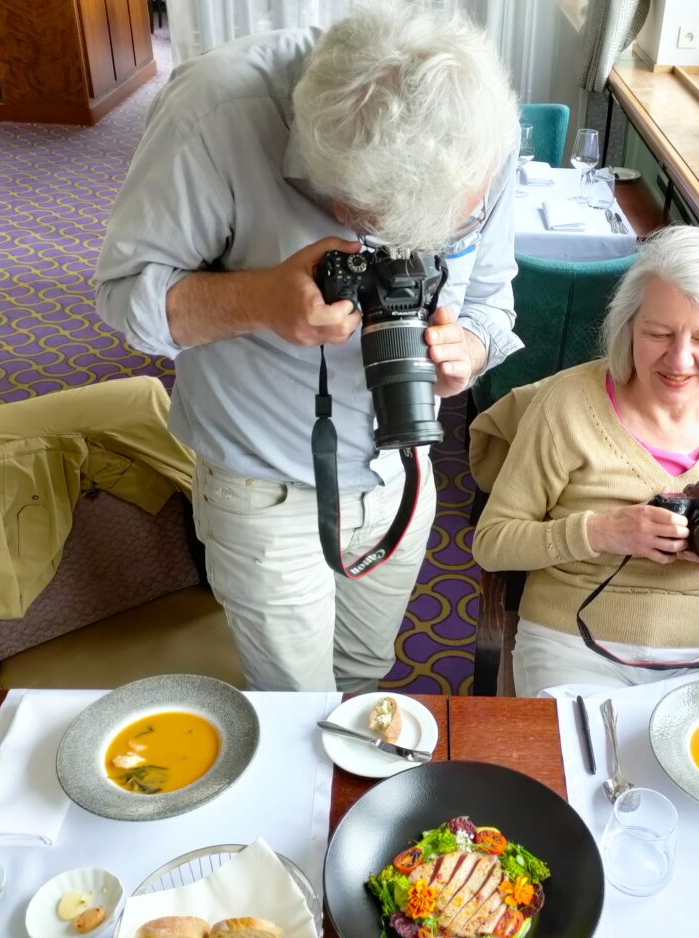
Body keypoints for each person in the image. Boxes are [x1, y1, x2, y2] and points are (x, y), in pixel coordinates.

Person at [94, 2, 521, 692]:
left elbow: (493, 298)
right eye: (374, 224)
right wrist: (260, 301)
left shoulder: (479, 126)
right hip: (265, 481)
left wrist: (468, 348)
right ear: (320, 175)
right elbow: (123, 297)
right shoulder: (214, 113)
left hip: (402, 474)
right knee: (298, 705)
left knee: (363, 673)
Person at [470, 226, 699, 696]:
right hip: (571, 643)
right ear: (628, 327)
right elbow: (493, 542)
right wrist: (602, 532)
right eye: (659, 333)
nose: (679, 360)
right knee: (590, 767)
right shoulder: (568, 404)